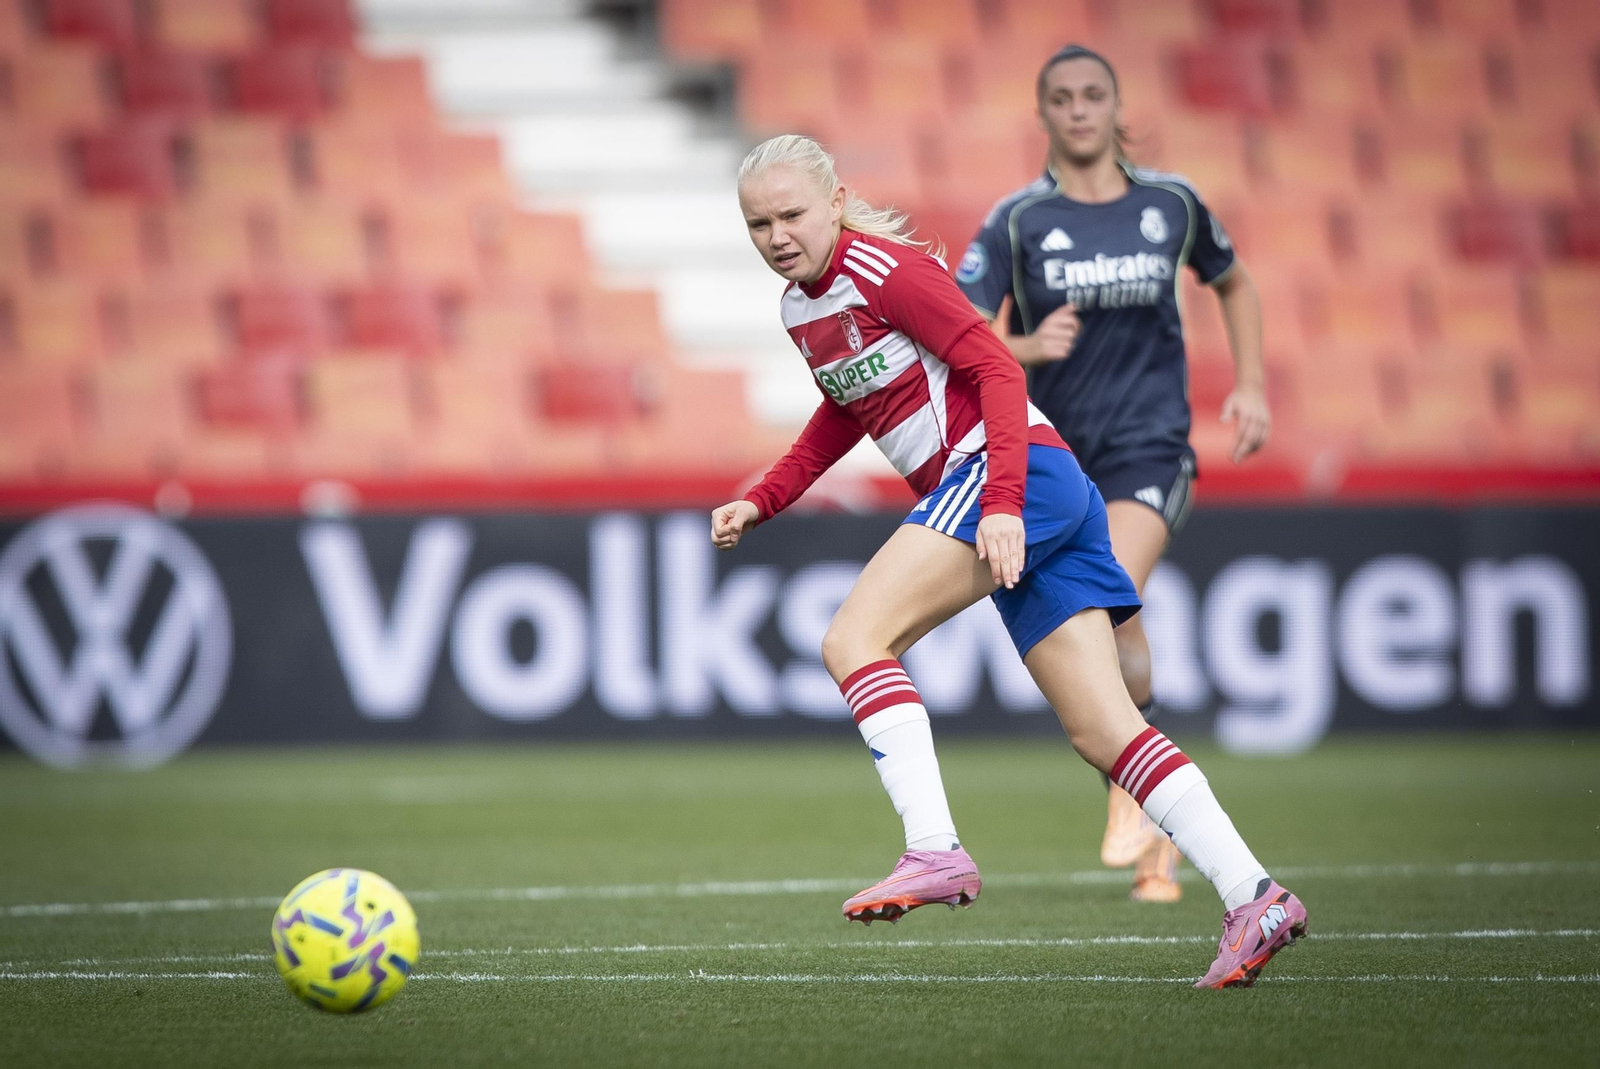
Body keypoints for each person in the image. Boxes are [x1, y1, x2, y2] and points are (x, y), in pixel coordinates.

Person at [713, 134, 1304, 988]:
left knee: (852, 640)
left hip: (1007, 473)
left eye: (791, 213)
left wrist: (997, 504)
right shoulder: (800, 308)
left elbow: (993, 364)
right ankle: (1257, 894)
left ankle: (934, 849)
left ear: (836, 200)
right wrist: (765, 496)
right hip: (1038, 484)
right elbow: (845, 410)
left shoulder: (886, 272)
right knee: (1105, 731)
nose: (776, 235)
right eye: (757, 222)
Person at [955, 44, 1272, 903]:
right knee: (1118, 629)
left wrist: (1249, 383)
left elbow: (1234, 284)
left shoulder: (1171, 204)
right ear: (1043, 114)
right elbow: (962, 333)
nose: (1079, 109)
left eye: (1094, 94)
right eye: (1061, 97)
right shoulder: (1019, 221)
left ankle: (1131, 795)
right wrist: (1022, 346)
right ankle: (1153, 822)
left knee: (1100, 596)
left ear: (1115, 104)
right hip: (1058, 457)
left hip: (1150, 450)